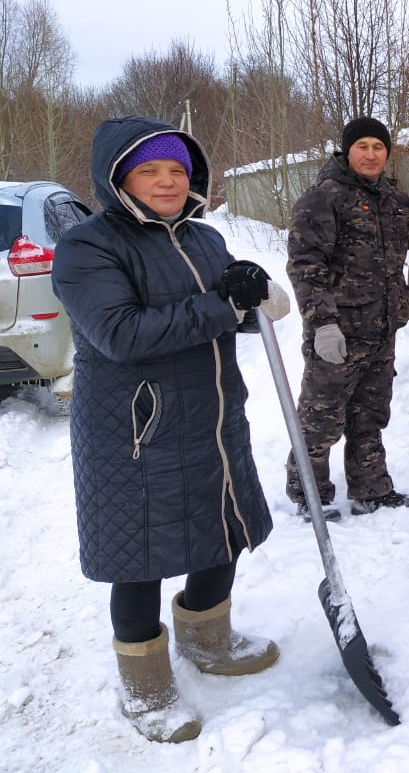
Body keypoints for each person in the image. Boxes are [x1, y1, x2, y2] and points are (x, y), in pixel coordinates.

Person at [51, 117, 291, 743]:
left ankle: (209, 641)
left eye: (177, 170)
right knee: (141, 558)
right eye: (150, 170)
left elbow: (231, 310)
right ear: (119, 178)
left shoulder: (205, 239)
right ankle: (146, 689)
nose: (166, 182)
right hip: (137, 432)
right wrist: (224, 306)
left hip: (211, 417)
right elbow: (122, 334)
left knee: (223, 528)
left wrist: (258, 296)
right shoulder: (89, 247)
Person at [285, 116, 409, 519]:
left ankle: (371, 488)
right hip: (338, 330)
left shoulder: (392, 197)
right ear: (347, 150)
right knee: (322, 417)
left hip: (382, 327)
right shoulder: (324, 197)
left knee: (369, 413)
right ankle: (309, 493)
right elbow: (306, 265)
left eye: (378, 147)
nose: (371, 155)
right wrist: (322, 322)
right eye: (363, 147)